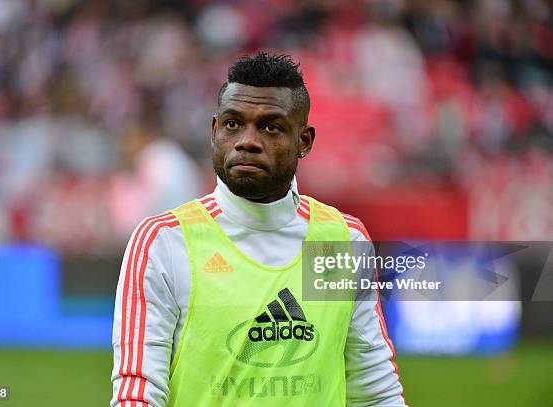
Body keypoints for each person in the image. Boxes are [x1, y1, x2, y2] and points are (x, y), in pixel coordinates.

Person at [111, 52, 406, 406]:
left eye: (271, 127)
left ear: (305, 141)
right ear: (214, 131)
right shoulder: (165, 242)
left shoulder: (339, 240)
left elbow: (374, 389)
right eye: (234, 124)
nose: (247, 140)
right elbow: (137, 393)